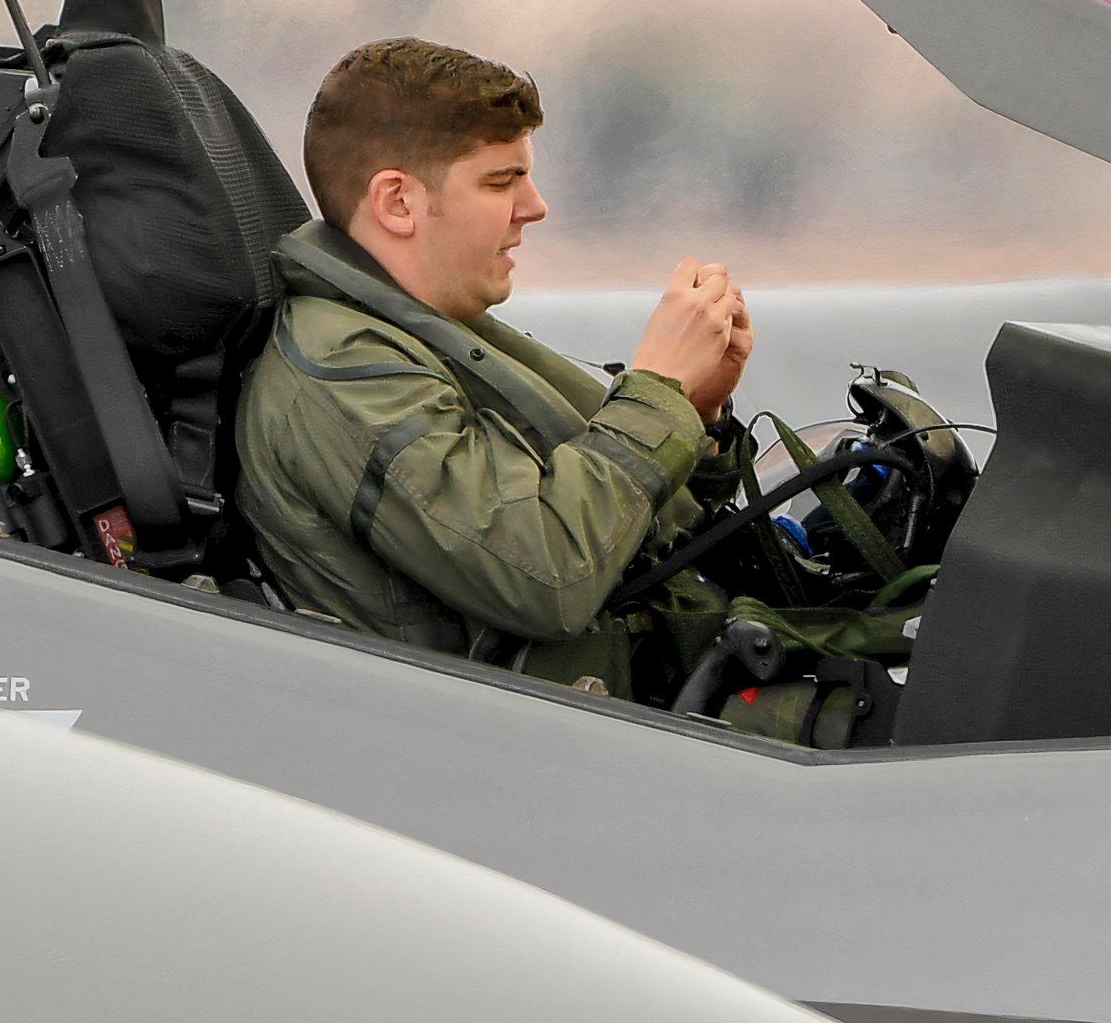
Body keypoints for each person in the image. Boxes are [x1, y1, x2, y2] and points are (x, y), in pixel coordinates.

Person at [237, 36, 755, 694]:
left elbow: (621, 529)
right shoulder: (344, 377)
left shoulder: (418, 333)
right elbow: (547, 572)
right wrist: (656, 392)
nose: (534, 207)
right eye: (501, 181)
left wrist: (696, 418)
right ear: (398, 202)